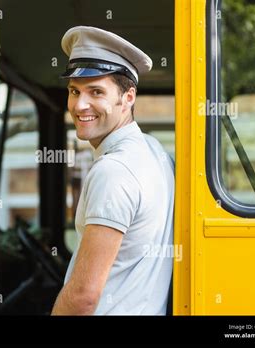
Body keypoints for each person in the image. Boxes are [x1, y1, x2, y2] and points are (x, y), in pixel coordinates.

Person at [51, 26, 174, 315]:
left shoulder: (114, 171)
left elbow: (83, 297)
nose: (80, 105)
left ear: (128, 97)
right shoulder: (154, 151)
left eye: (96, 92)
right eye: (74, 91)